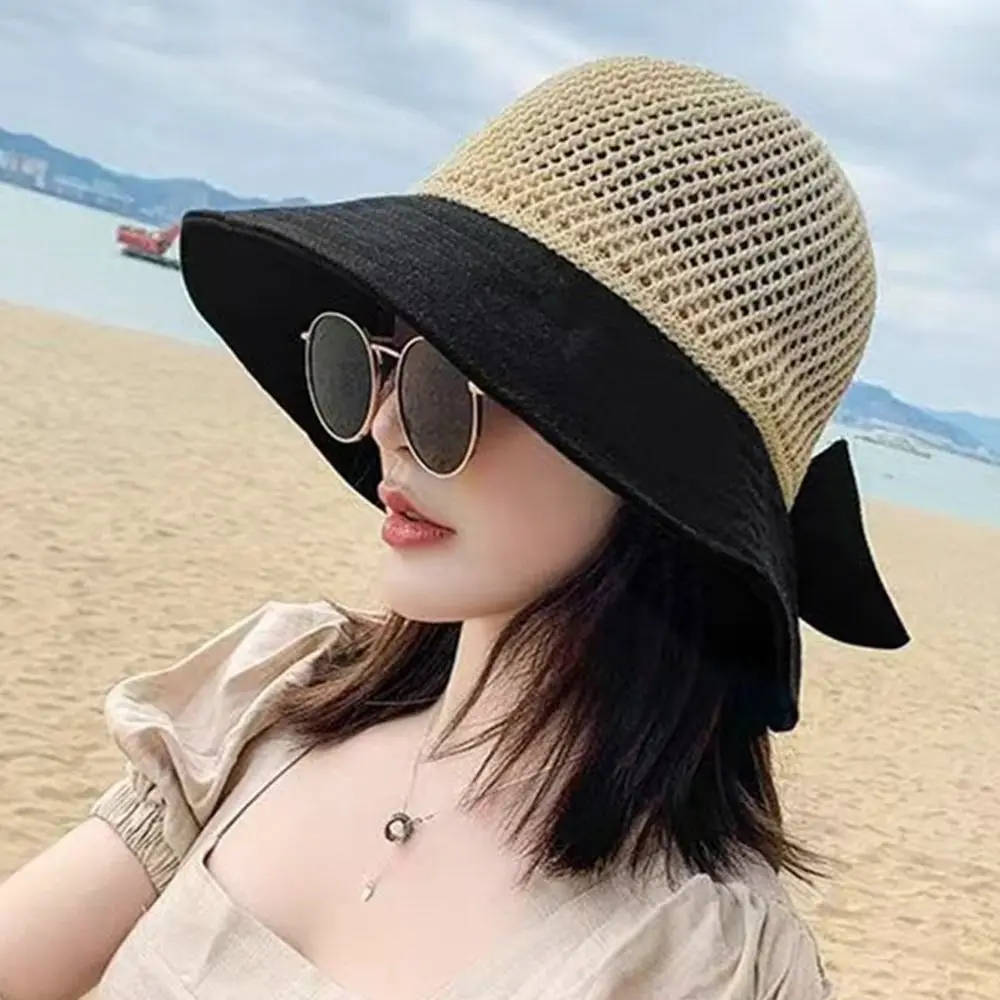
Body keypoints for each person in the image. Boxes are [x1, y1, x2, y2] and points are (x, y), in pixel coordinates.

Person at [0, 55, 910, 999]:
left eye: (447, 381)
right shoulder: (270, 703)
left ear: (650, 467)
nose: (383, 424)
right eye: (374, 362)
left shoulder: (705, 959)